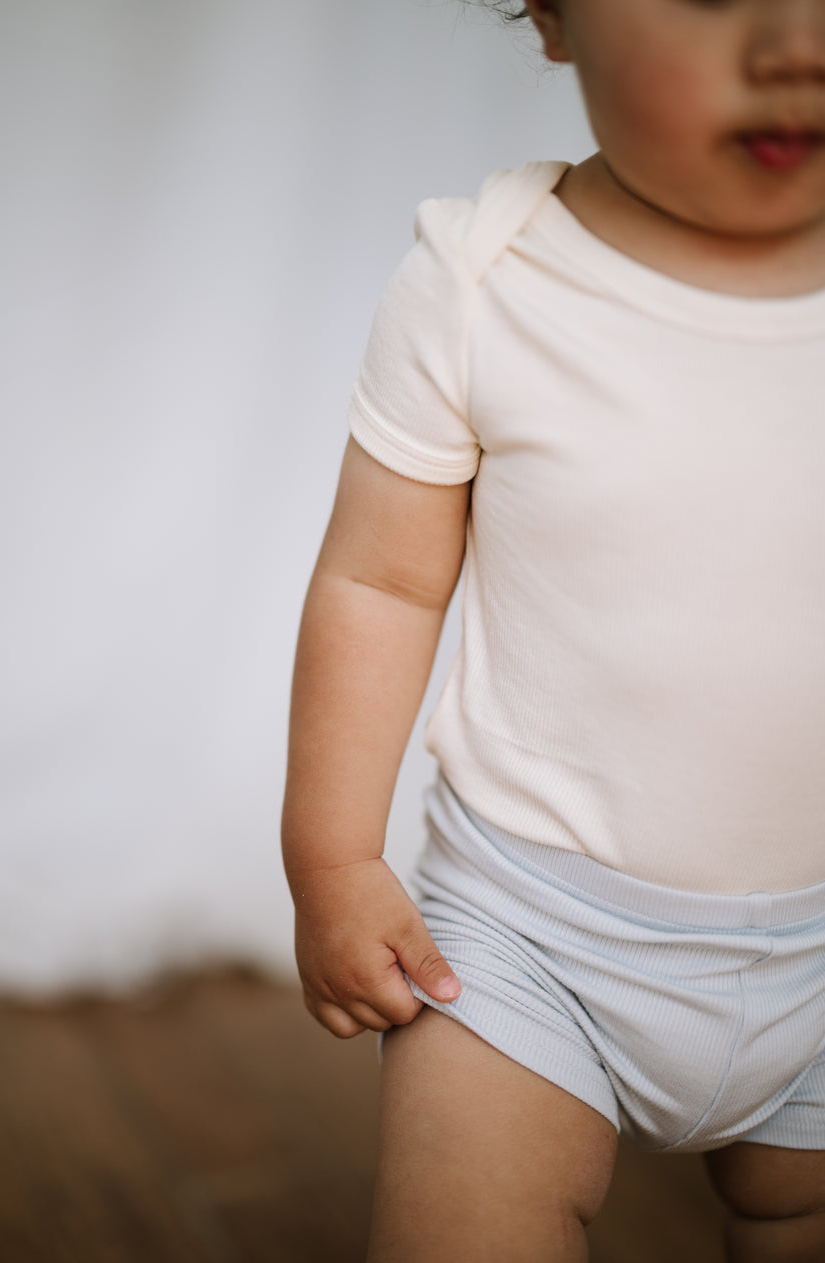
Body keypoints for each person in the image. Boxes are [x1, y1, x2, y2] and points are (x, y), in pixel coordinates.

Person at [281, 1, 825, 1258]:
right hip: (529, 936)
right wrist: (333, 860)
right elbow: (381, 585)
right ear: (554, 13)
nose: (795, 44)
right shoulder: (484, 281)